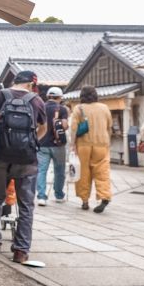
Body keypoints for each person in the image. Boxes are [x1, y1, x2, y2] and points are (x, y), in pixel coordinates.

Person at [0, 70, 47, 264]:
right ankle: (21, 251)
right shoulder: (37, 100)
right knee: (26, 205)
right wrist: (31, 142)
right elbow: (44, 128)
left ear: (15, 81)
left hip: (1, 157)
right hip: (27, 160)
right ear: (31, 85)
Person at [69, 85, 113, 213]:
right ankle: (104, 196)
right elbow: (109, 127)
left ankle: (85, 201)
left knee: (83, 173)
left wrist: (72, 144)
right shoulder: (104, 108)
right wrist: (107, 141)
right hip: (101, 144)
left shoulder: (79, 108)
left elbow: (74, 128)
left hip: (83, 145)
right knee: (102, 171)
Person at [36, 87, 69, 205]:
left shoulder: (40, 107)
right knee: (59, 170)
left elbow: (37, 125)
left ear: (48, 96)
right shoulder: (62, 109)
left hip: (42, 144)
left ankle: (41, 197)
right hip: (58, 144)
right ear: (60, 97)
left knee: (41, 170)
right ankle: (59, 195)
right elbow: (64, 126)